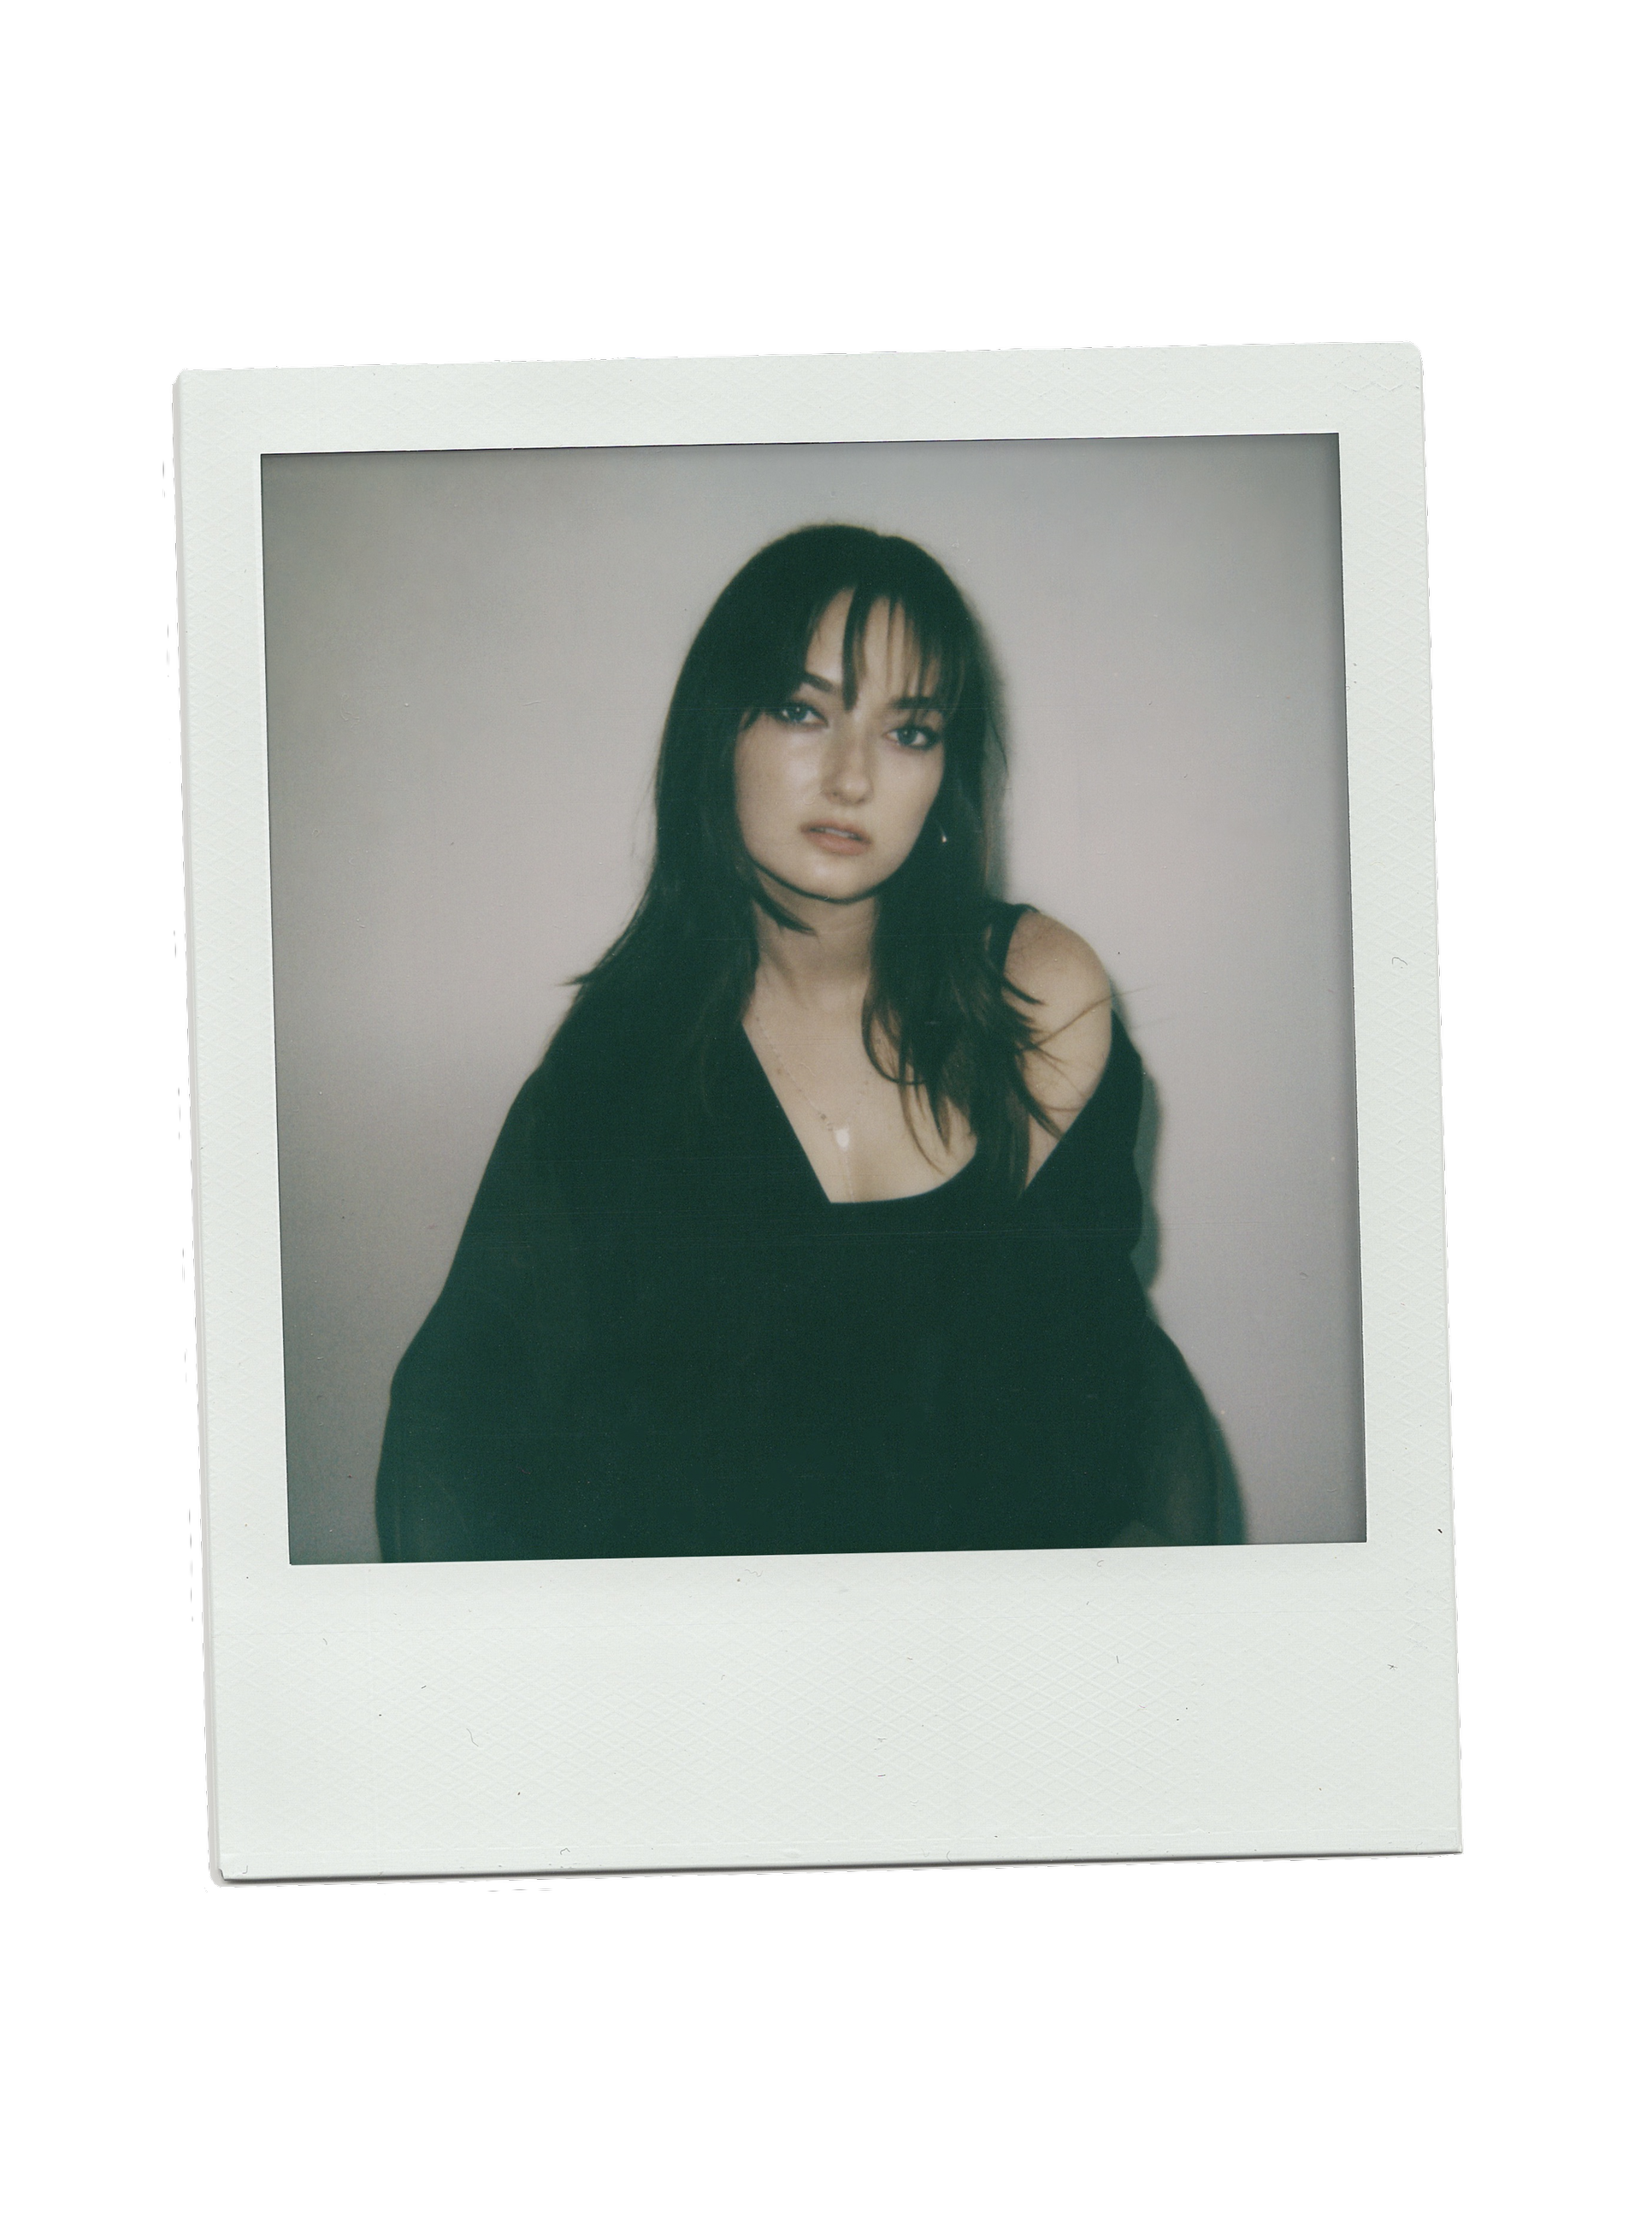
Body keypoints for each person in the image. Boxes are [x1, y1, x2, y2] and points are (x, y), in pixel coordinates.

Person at [375, 525, 1239, 1561]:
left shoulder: (1037, 997)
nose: (850, 776)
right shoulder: (613, 1070)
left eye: (908, 730)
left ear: (945, 770)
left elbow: (1093, 1364)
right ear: (718, 732)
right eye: (801, 710)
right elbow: (465, 1417)